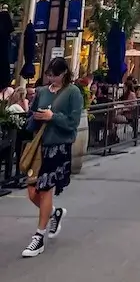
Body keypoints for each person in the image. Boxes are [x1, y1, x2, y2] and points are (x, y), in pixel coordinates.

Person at [21, 57, 84, 258]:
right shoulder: (41, 92)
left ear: (64, 73)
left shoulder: (73, 93)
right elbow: (31, 115)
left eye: (55, 75)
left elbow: (73, 123)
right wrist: (35, 115)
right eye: (49, 75)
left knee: (45, 189)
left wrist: (52, 117)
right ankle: (53, 212)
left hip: (58, 147)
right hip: (39, 146)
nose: (51, 79)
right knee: (33, 192)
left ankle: (39, 236)